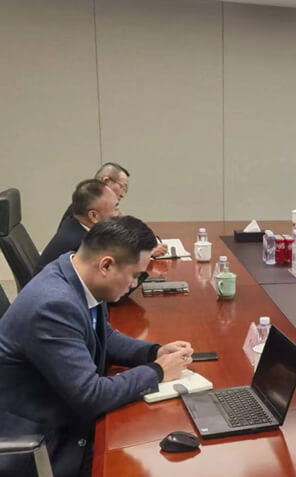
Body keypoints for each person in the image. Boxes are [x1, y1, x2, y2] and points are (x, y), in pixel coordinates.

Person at [0, 216, 194, 476]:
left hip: (66, 415)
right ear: (106, 265)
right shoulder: (53, 306)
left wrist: (153, 352)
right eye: (135, 275)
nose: (134, 285)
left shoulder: (77, 273)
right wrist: (157, 371)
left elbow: (105, 336)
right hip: (46, 445)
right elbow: (91, 396)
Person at [59, 162, 168, 257]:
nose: (123, 194)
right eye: (123, 186)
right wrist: (144, 253)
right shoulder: (79, 224)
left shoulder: (89, 207)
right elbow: (106, 254)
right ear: (106, 181)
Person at [34, 179, 121, 275]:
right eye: (116, 208)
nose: (120, 214)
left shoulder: (72, 222)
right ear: (93, 216)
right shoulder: (81, 247)